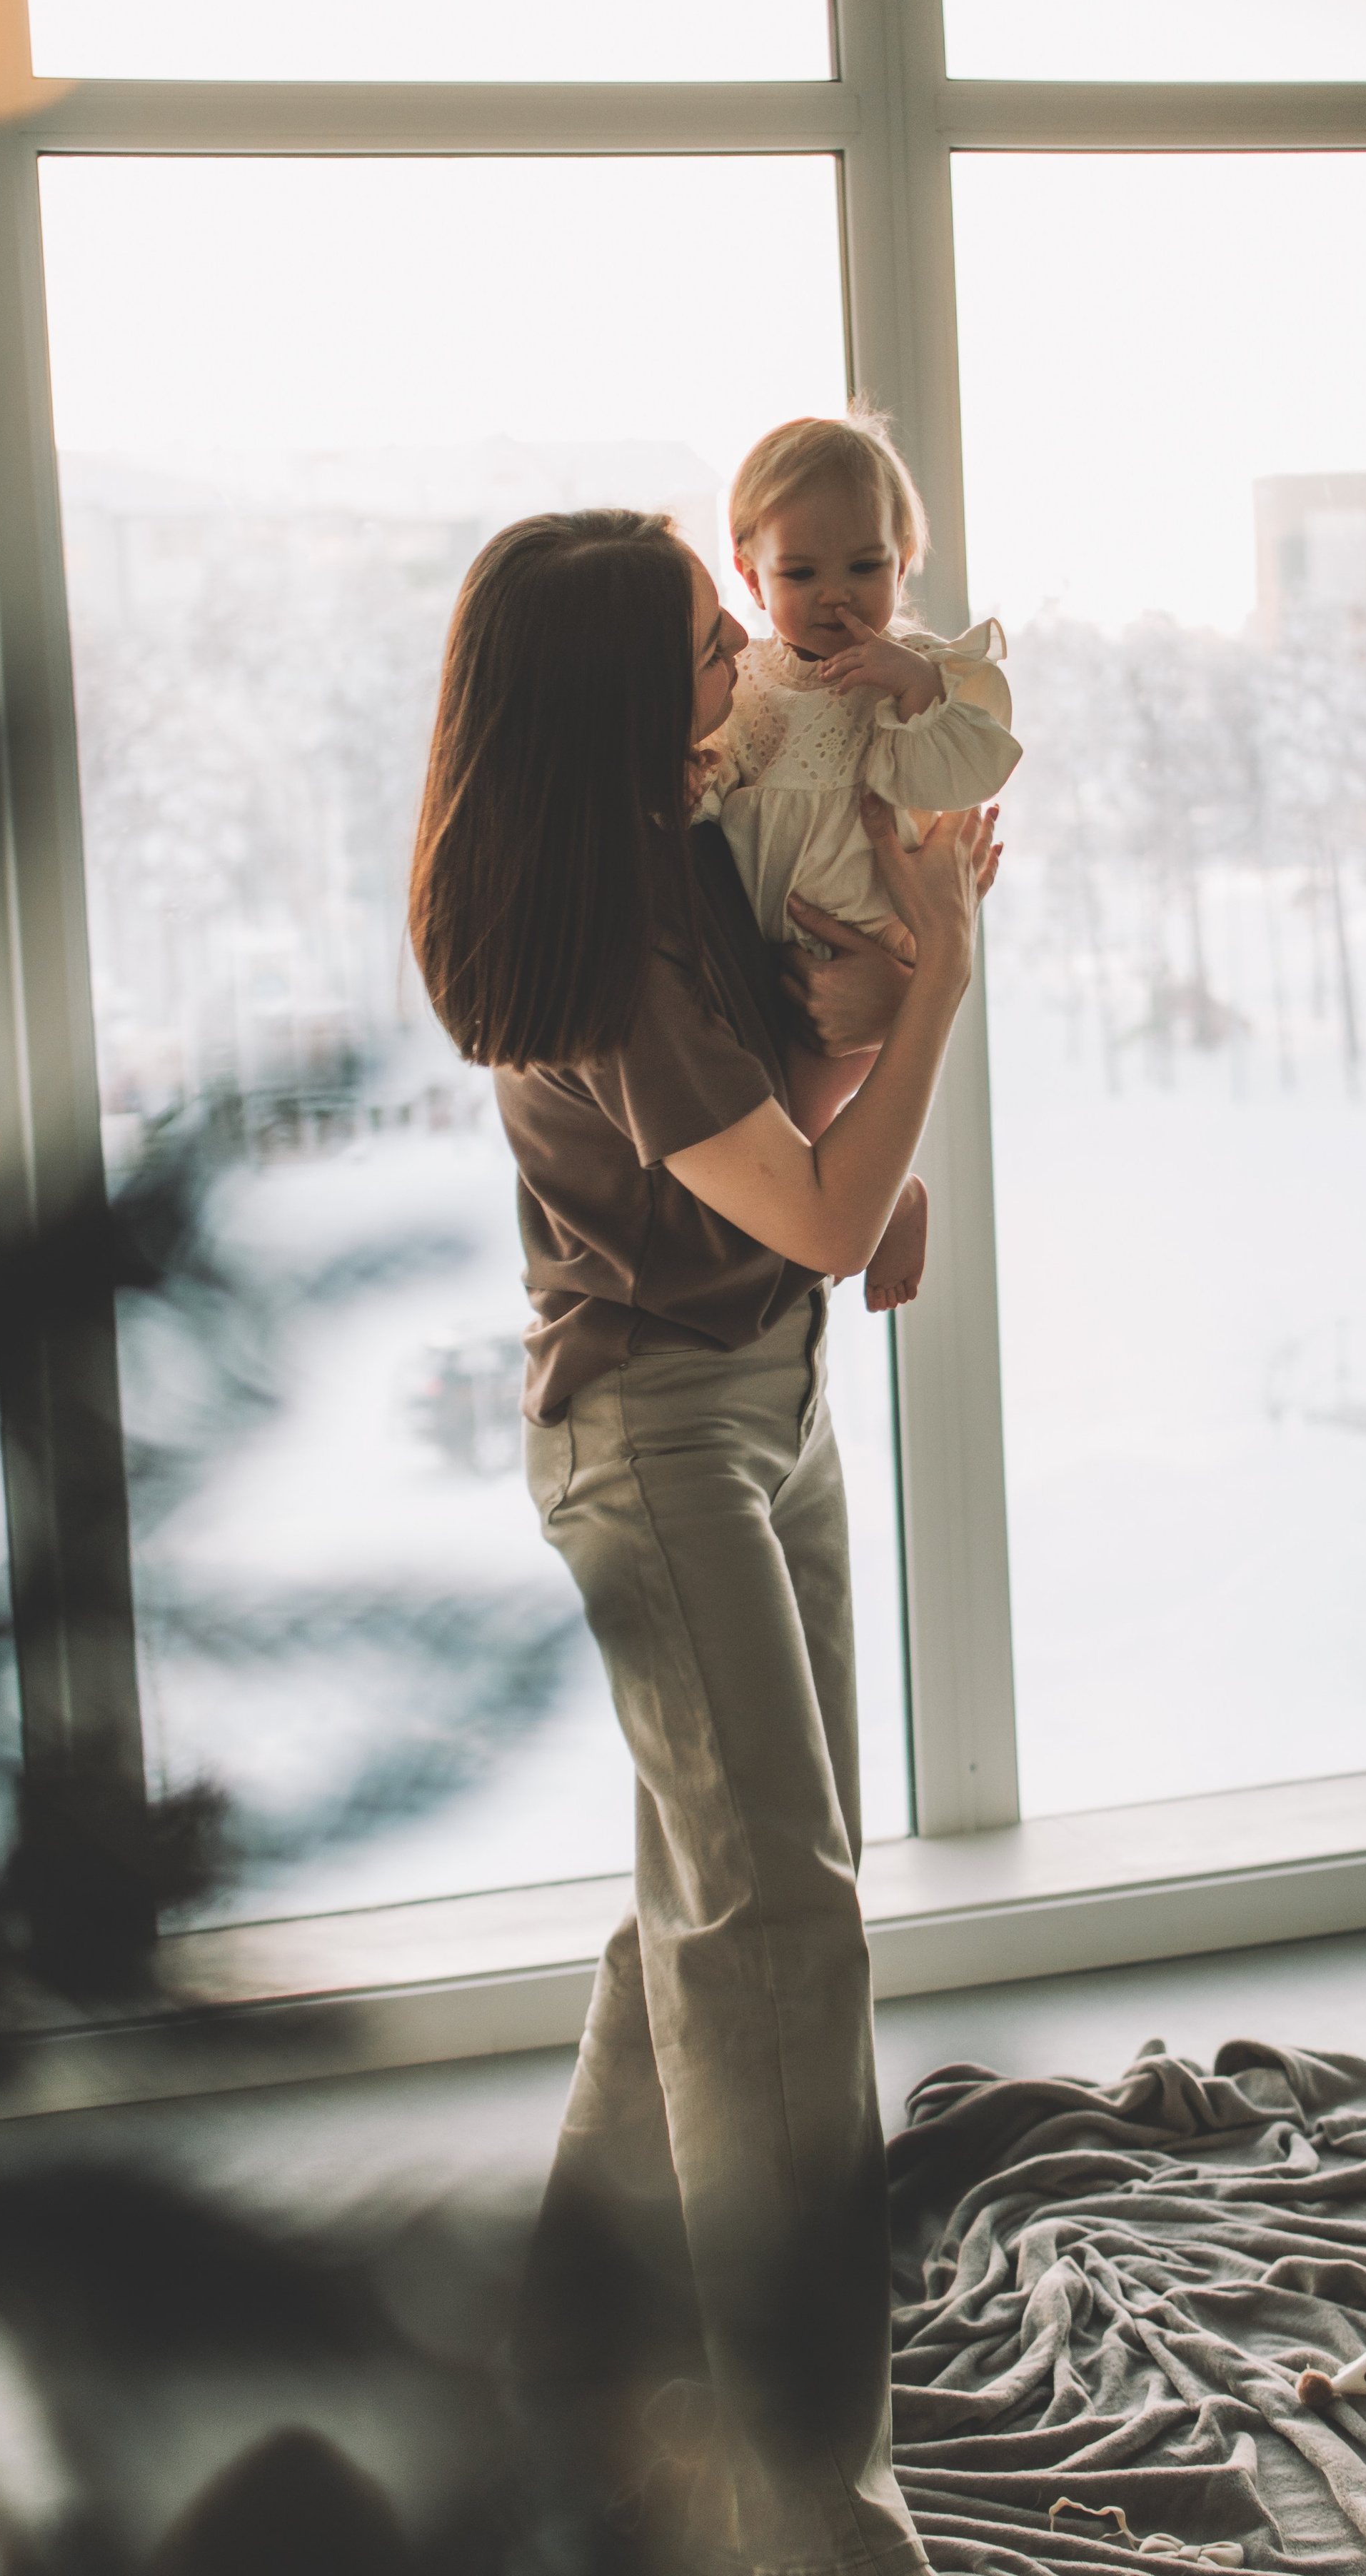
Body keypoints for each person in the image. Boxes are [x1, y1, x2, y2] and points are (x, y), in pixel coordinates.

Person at [407, 507, 1000, 2576]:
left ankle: (567, 2360)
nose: (751, 667)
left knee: (713, 1911)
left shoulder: (673, 848)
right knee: (783, 1944)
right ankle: (816, 2526)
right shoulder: (606, 940)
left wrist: (869, 999)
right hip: (660, 1449)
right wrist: (949, 991)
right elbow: (827, 1206)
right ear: (612, 704)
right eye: (702, 650)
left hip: (766, 1400)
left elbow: (796, 1154)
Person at [697, 408, 1021, 1313]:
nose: (837, 597)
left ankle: (889, 1200)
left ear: (905, 555)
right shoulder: (748, 681)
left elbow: (970, 768)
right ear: (749, 575)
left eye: (865, 568)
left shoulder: (915, 672)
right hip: (770, 946)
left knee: (807, 1121)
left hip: (875, 936)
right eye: (801, 573)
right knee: (780, 1132)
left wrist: (916, 695)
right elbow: (718, 776)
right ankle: (885, 1201)